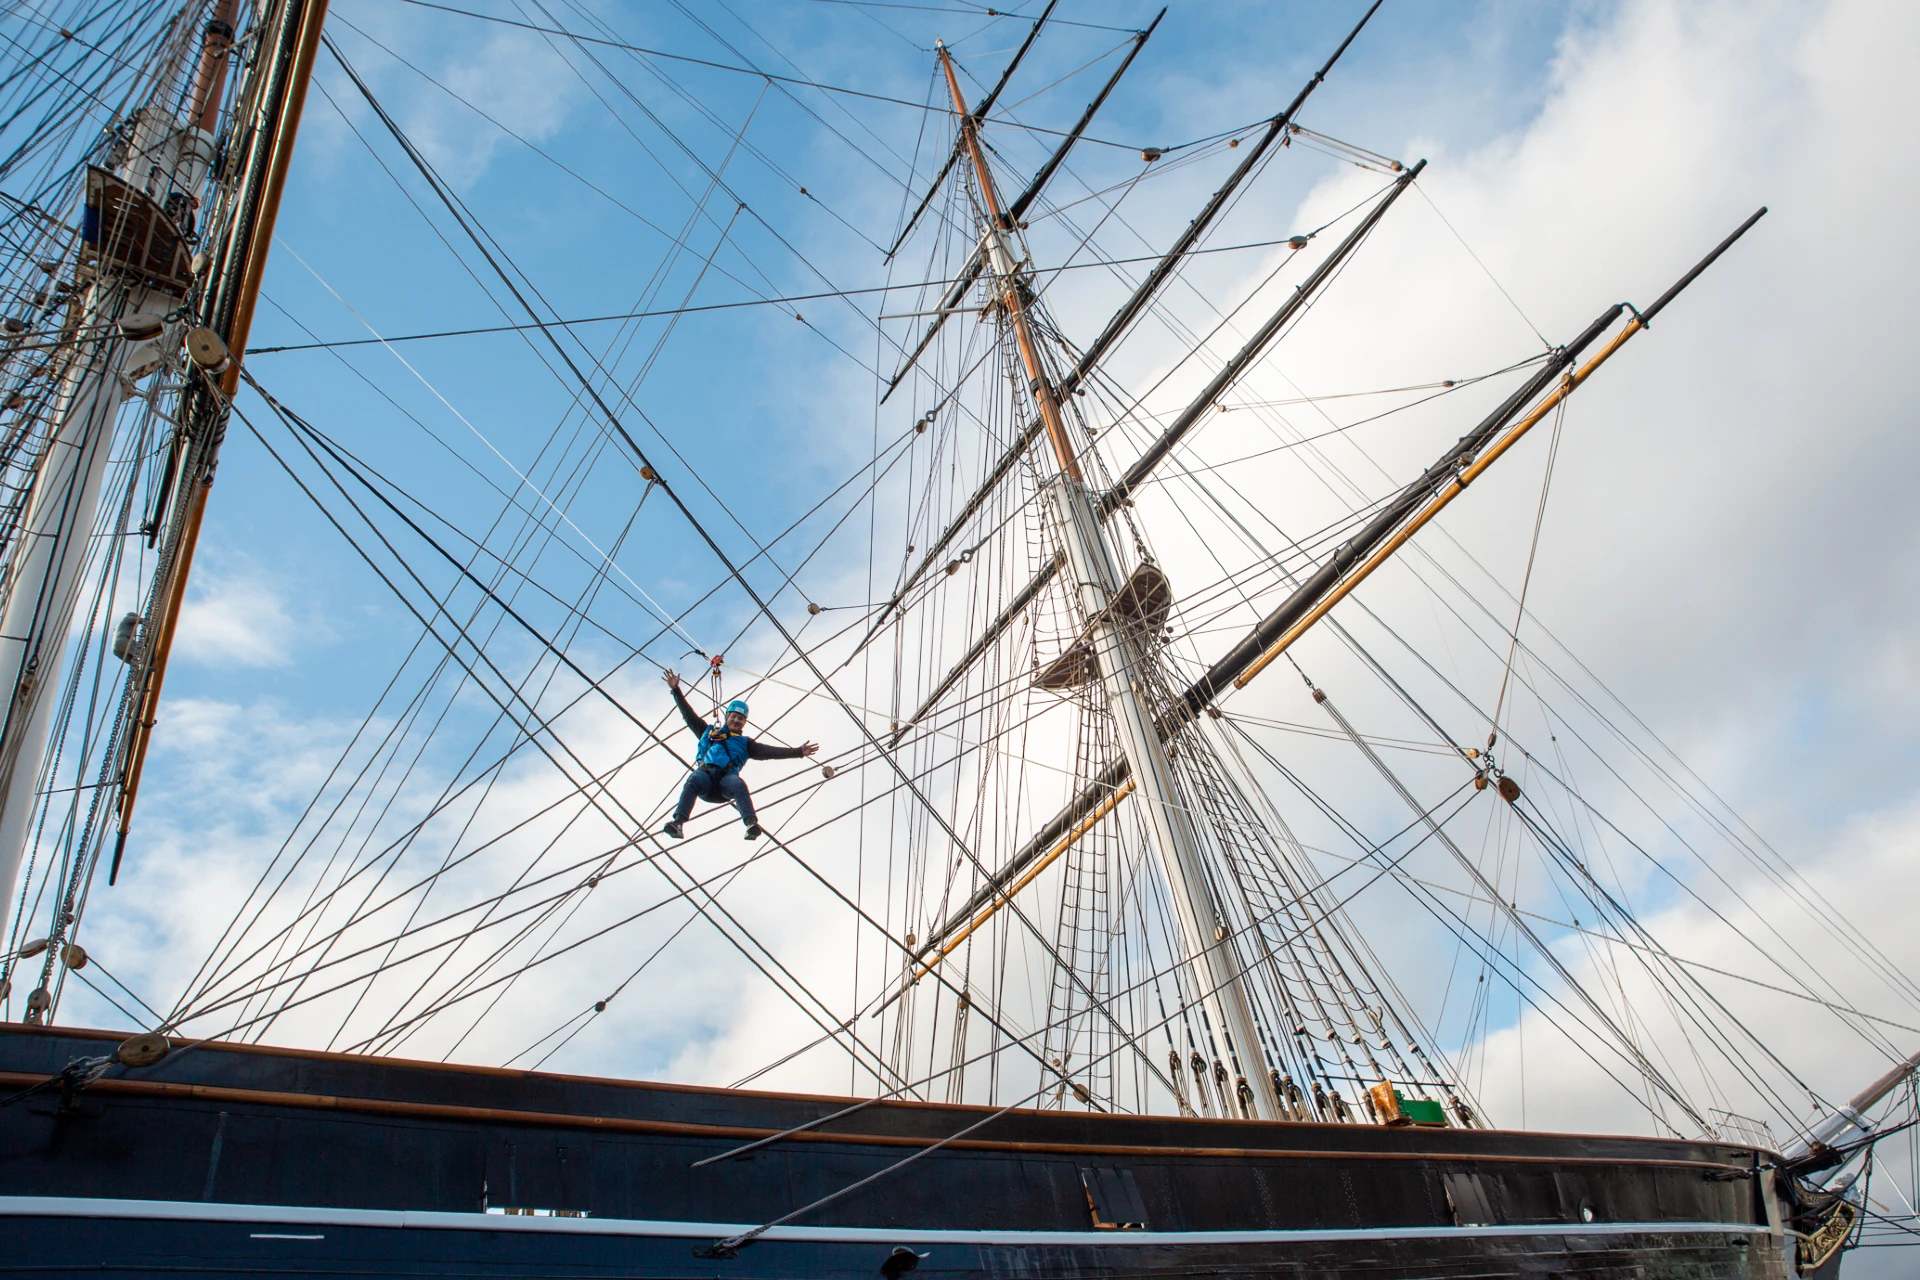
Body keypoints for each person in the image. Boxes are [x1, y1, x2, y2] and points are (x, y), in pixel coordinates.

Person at [662, 670, 817, 840]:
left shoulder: (745, 743)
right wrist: (676, 690)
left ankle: (751, 824)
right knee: (693, 779)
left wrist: (798, 752)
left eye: (740, 719)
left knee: (738, 784)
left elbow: (770, 752)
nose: (736, 721)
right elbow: (688, 715)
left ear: (744, 722)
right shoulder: (708, 732)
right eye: (733, 717)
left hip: (725, 783)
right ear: (727, 716)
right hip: (705, 778)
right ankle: (678, 823)